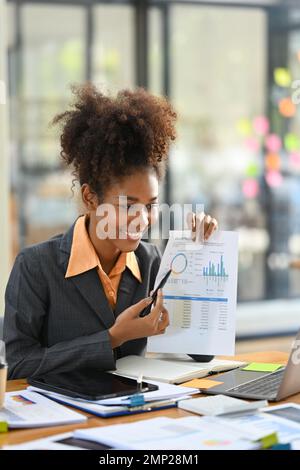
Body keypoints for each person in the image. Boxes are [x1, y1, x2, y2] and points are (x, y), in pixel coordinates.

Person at [3, 84, 218, 379]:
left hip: (135, 413)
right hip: (65, 419)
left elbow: (201, 351)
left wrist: (197, 254)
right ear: (91, 198)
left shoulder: (150, 262)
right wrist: (111, 338)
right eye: (129, 205)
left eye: (151, 205)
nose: (142, 219)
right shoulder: (35, 267)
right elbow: (17, 364)